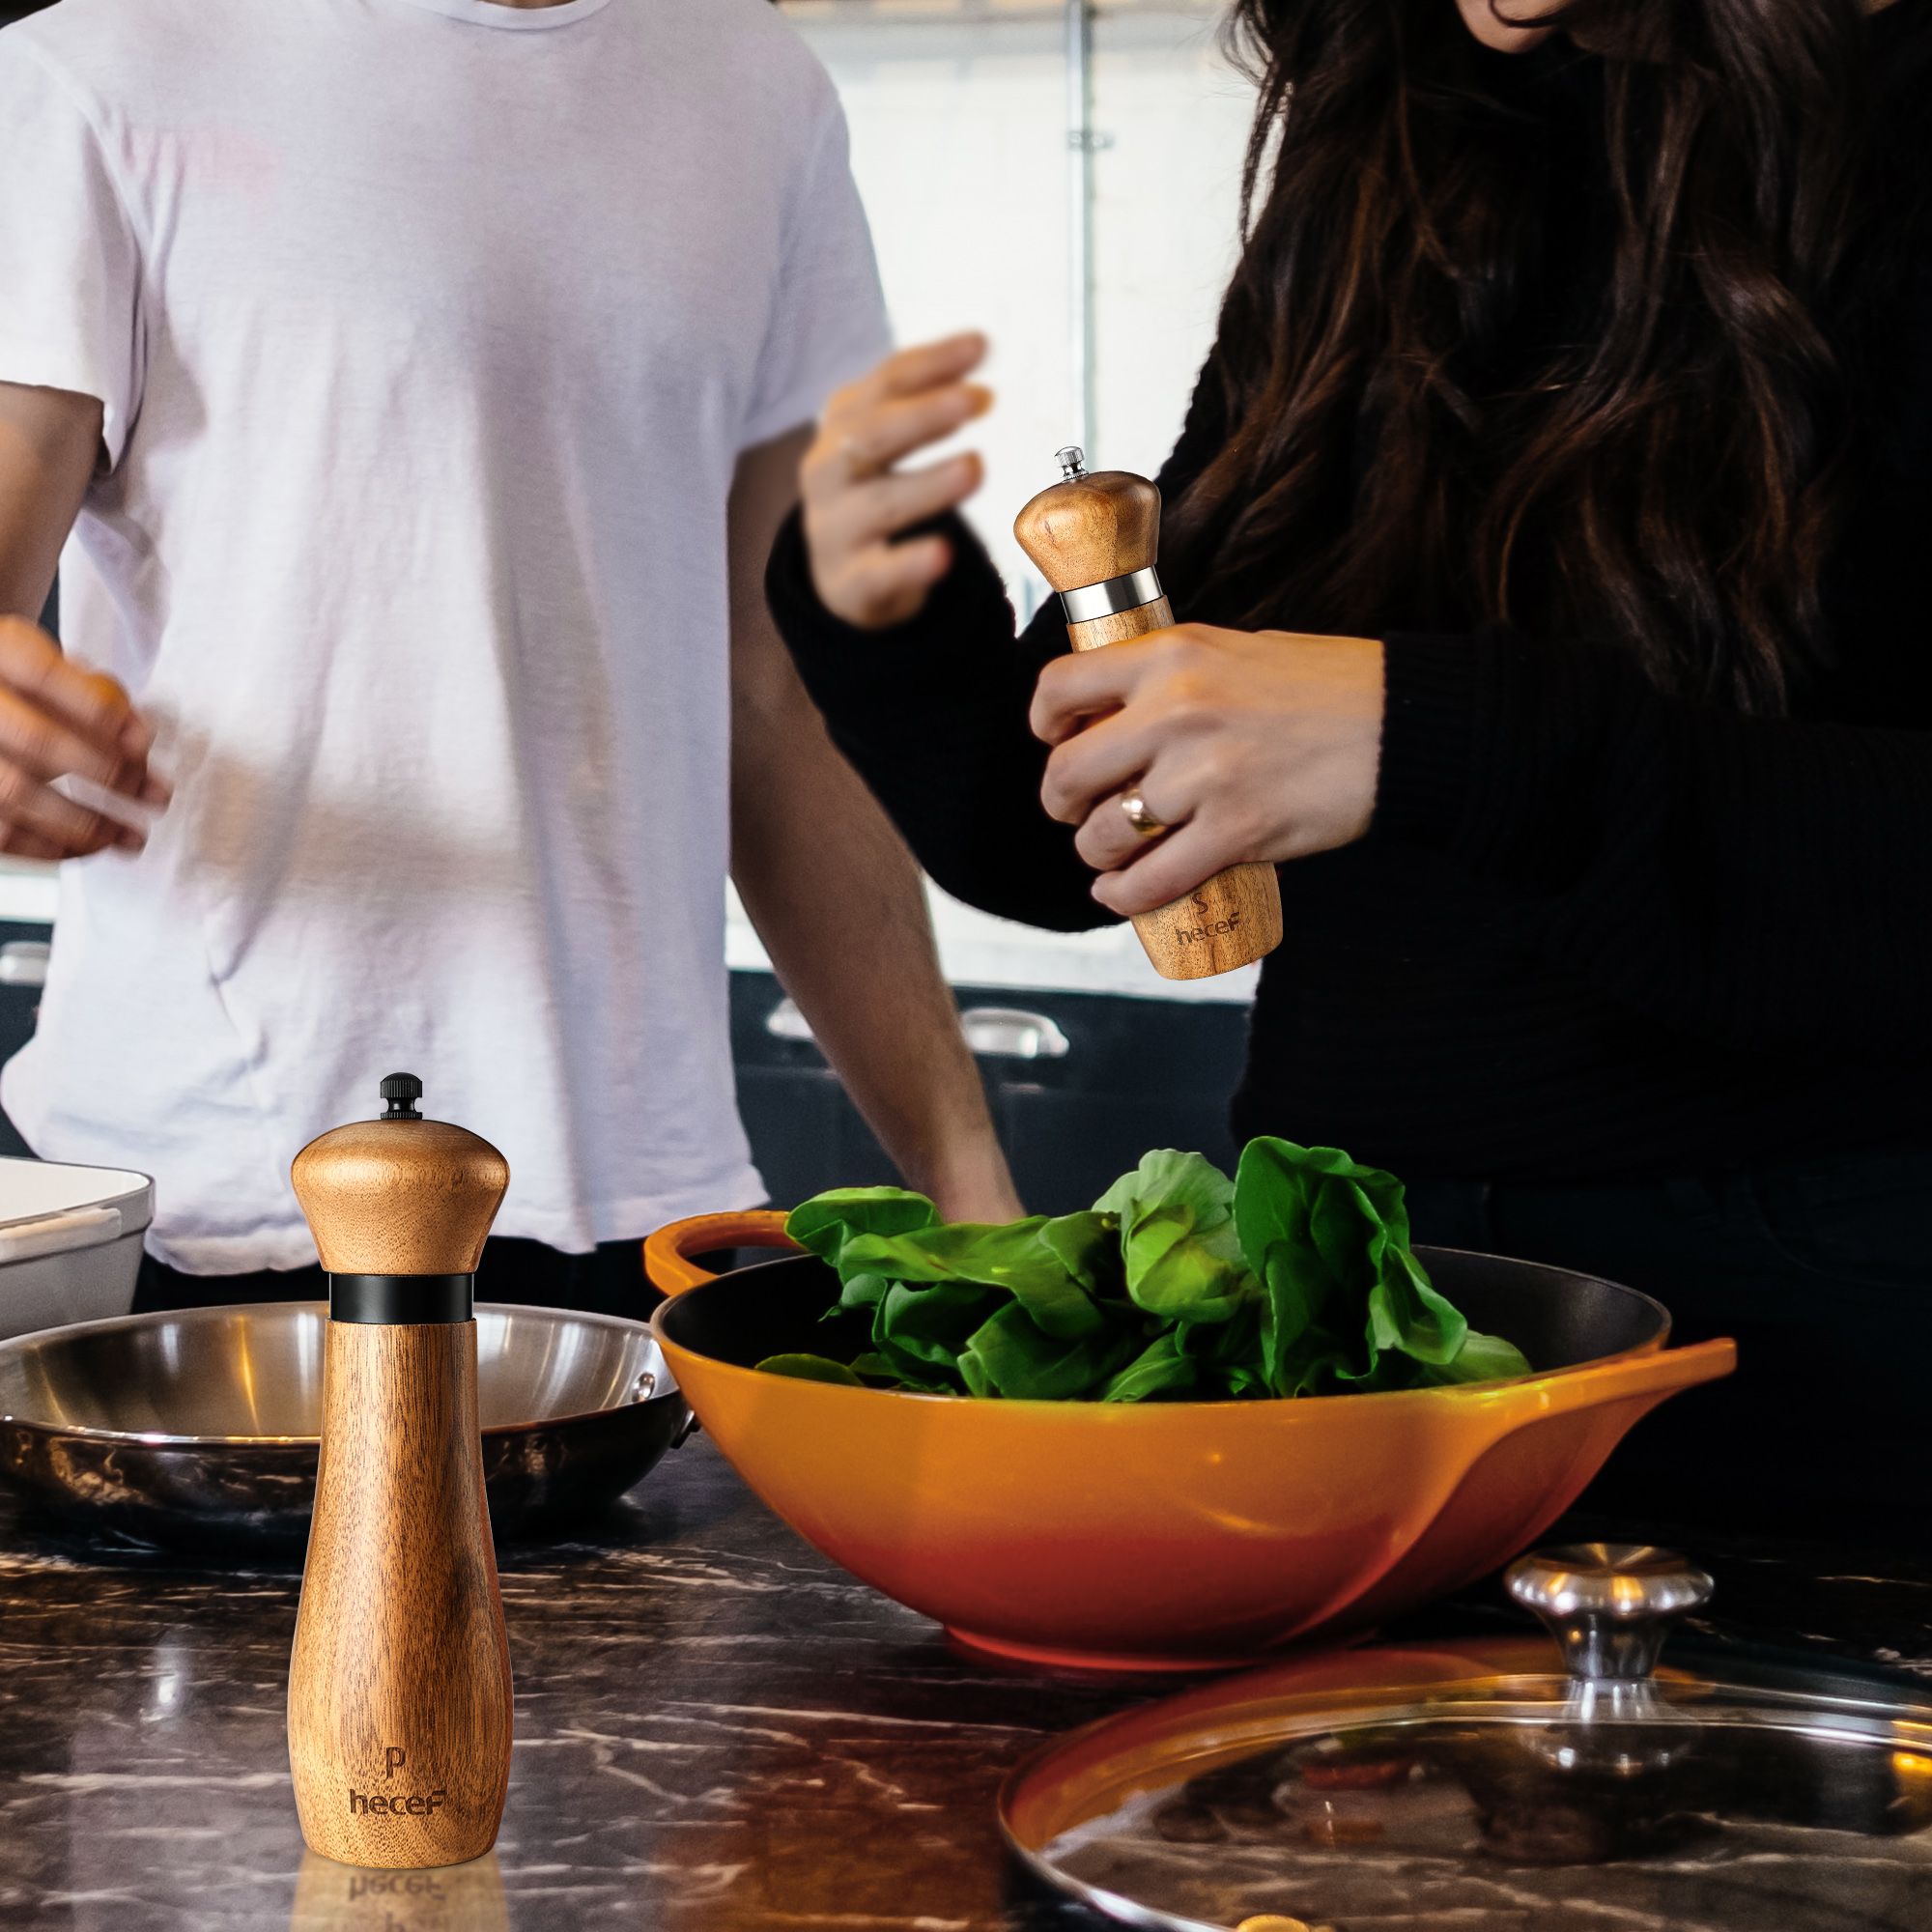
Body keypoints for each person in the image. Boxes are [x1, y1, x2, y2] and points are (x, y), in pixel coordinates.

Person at [767, 0, 1932, 1540]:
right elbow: (1086, 840)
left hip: (1826, 1360)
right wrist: (892, 622)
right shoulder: (1393, 130)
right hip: (1348, 1311)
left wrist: (1420, 738)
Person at [0, 0, 1019, 1318]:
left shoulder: (759, 84)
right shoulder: (97, 68)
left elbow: (775, 692)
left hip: (641, 1209)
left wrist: (971, 1186)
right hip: (222, 1200)